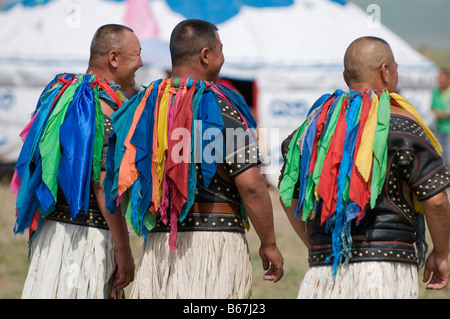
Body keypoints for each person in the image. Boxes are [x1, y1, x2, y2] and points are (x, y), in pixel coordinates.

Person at [103, 19, 284, 298]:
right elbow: (251, 185)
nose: (223, 57)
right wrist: (269, 243)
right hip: (215, 247)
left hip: (161, 248)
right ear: (206, 56)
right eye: (220, 50)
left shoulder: (140, 109)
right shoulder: (223, 107)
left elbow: (116, 182)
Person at [279, 36, 450, 299]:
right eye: (395, 68)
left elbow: (287, 193)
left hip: (325, 271)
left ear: (345, 77)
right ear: (385, 71)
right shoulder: (406, 125)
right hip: (385, 272)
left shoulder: (312, 129)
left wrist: (317, 244)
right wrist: (440, 252)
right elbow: (436, 201)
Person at [10, 24, 143, 298]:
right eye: (137, 55)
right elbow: (103, 185)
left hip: (52, 237)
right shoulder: (103, 106)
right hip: (86, 244)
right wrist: (122, 249)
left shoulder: (59, 97)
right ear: (114, 58)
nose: (141, 62)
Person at [431, 69, 450, 167]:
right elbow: (433, 108)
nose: (440, 81)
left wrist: (441, 114)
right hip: (438, 128)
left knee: (448, 155)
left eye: (442, 79)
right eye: (439, 79)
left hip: (448, 129)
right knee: (440, 154)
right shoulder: (435, 92)